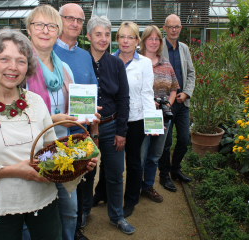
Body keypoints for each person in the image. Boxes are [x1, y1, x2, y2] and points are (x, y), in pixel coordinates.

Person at [0, 28, 97, 240]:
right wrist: (11, 170)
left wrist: (77, 161)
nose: (12, 67)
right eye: (4, 59)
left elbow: (51, 150)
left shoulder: (35, 102)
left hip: (42, 199)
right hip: (0, 206)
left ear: (28, 67)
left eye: (21, 61)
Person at [24, 5, 100, 240]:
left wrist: (85, 113)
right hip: (35, 152)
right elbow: (16, 115)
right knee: (34, 213)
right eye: (39, 25)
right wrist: (54, 119)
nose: (45, 30)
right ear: (29, 30)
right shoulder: (21, 68)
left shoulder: (64, 68)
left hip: (65, 149)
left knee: (69, 209)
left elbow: (73, 105)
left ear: (58, 32)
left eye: (52, 26)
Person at [82, 15, 134, 235]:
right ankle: (83, 212)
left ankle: (117, 216)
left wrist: (121, 131)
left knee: (114, 173)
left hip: (111, 126)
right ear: (89, 37)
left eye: (106, 34)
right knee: (86, 173)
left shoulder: (116, 64)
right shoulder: (80, 61)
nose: (103, 39)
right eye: (98, 34)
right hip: (85, 128)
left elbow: (123, 98)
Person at [53, 3, 98, 240]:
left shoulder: (84, 56)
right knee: (56, 187)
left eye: (79, 20)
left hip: (79, 132)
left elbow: (92, 93)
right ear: (59, 20)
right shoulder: (47, 51)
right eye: (70, 18)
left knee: (82, 179)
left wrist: (94, 130)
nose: (75, 23)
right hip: (52, 135)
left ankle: (75, 229)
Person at [113, 21, 155, 218]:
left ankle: (130, 200)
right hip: (112, 120)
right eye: (122, 36)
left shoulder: (145, 63)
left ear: (137, 41)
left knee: (134, 162)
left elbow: (147, 93)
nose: (126, 41)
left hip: (136, 119)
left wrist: (151, 123)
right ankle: (103, 194)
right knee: (110, 162)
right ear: (117, 39)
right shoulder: (109, 60)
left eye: (130, 37)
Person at [140, 25, 180, 202]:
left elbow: (173, 88)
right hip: (142, 117)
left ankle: (148, 186)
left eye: (157, 39)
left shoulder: (165, 63)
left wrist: (167, 106)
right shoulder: (138, 62)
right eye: (150, 38)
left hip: (162, 116)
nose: (154, 42)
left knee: (155, 154)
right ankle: (135, 187)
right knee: (140, 154)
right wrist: (150, 104)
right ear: (144, 41)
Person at [159, 14, 195, 192]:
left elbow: (191, 73)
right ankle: (164, 175)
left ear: (180, 28)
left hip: (182, 103)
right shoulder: (158, 48)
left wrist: (187, 93)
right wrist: (166, 99)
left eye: (177, 26)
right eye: (170, 26)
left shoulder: (184, 49)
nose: (174, 29)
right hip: (165, 103)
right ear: (164, 28)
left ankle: (175, 169)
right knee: (165, 142)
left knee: (184, 139)